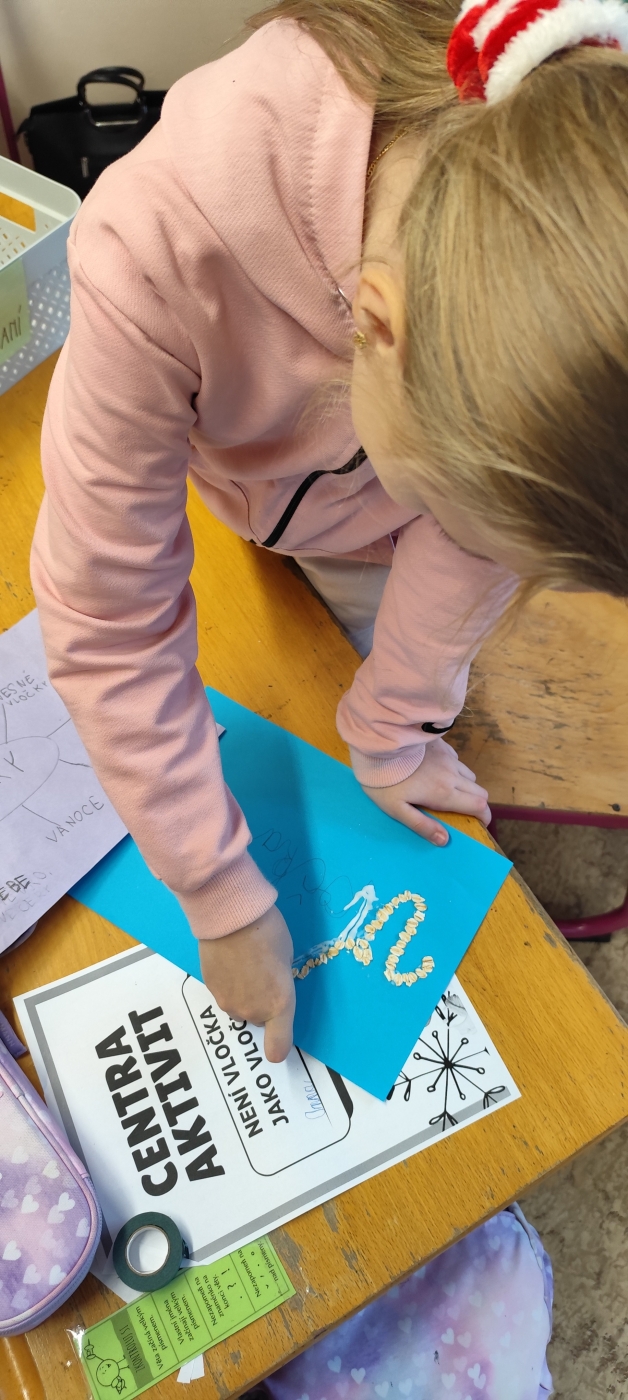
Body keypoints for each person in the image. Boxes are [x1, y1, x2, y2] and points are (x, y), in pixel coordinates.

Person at [32, 0, 628, 1080]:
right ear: (376, 325)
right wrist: (217, 892)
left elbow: (473, 541)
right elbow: (108, 616)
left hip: (364, 498)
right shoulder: (152, 248)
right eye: (453, 503)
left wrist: (394, 725)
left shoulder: (505, 332)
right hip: (236, 478)